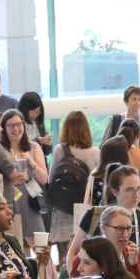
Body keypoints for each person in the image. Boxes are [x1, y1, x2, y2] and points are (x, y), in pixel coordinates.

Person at [47, 110, 100, 260]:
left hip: (63, 210)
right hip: (86, 211)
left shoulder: (60, 150)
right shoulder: (95, 153)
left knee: (65, 258)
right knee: (87, 257)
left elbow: (51, 180)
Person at [0, 107, 49, 248]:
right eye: (11, 125)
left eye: (19, 124)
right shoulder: (0, 150)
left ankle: (46, 272)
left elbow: (44, 178)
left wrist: (31, 162)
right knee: (17, 248)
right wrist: (13, 180)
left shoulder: (33, 147)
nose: (16, 129)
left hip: (30, 201)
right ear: (4, 127)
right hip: (10, 202)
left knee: (40, 249)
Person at [17, 90, 52, 156]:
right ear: (24, 109)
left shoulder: (38, 123)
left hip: (39, 162)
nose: (35, 115)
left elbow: (45, 152)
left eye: (38, 111)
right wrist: (37, 142)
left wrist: (48, 144)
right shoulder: (16, 124)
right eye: (33, 111)